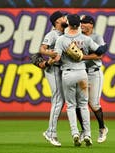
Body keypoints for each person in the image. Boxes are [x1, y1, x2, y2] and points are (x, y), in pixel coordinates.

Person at [53, 14, 106, 147]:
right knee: (83, 105)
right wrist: (105, 46)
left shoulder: (61, 39)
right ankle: (87, 134)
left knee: (71, 106)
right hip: (83, 74)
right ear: (78, 25)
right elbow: (100, 50)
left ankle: (75, 133)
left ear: (68, 24)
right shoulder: (85, 39)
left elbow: (57, 58)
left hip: (68, 74)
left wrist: (47, 59)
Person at [76, 15, 108, 143]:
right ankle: (84, 130)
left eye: (85, 22)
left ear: (91, 24)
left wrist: (83, 57)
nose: (82, 24)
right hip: (81, 73)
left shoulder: (96, 37)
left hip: (94, 73)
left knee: (94, 104)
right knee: (79, 104)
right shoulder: (77, 36)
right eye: (80, 22)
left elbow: (99, 55)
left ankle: (102, 128)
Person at [40, 11, 68, 147]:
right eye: (63, 17)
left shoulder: (66, 33)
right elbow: (42, 49)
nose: (65, 18)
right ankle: (50, 132)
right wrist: (49, 52)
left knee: (61, 101)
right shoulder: (52, 34)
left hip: (63, 70)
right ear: (57, 21)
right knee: (58, 100)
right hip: (53, 70)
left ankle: (51, 131)